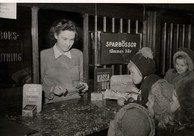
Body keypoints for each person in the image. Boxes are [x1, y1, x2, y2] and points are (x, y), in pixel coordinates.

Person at [41, 19, 88, 103]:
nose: (68, 44)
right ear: (56, 35)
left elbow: (82, 81)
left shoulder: (78, 54)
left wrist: (83, 86)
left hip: (76, 101)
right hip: (52, 104)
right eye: (64, 39)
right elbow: (36, 86)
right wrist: (51, 89)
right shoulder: (43, 55)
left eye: (72, 39)